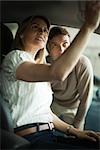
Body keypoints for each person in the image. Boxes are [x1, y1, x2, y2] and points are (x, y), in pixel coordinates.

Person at [0, 1, 100, 149]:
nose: (42, 32)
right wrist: (88, 26)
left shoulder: (37, 69)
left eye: (45, 30)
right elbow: (57, 73)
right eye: (35, 28)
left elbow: (45, 112)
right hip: (31, 139)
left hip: (48, 135)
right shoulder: (15, 58)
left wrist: (76, 132)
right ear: (21, 33)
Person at [46, 26, 93, 130]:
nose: (61, 50)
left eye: (65, 44)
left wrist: (77, 126)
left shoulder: (82, 63)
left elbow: (85, 99)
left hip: (75, 106)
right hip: (54, 102)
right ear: (48, 48)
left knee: (77, 139)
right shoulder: (45, 65)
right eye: (55, 45)